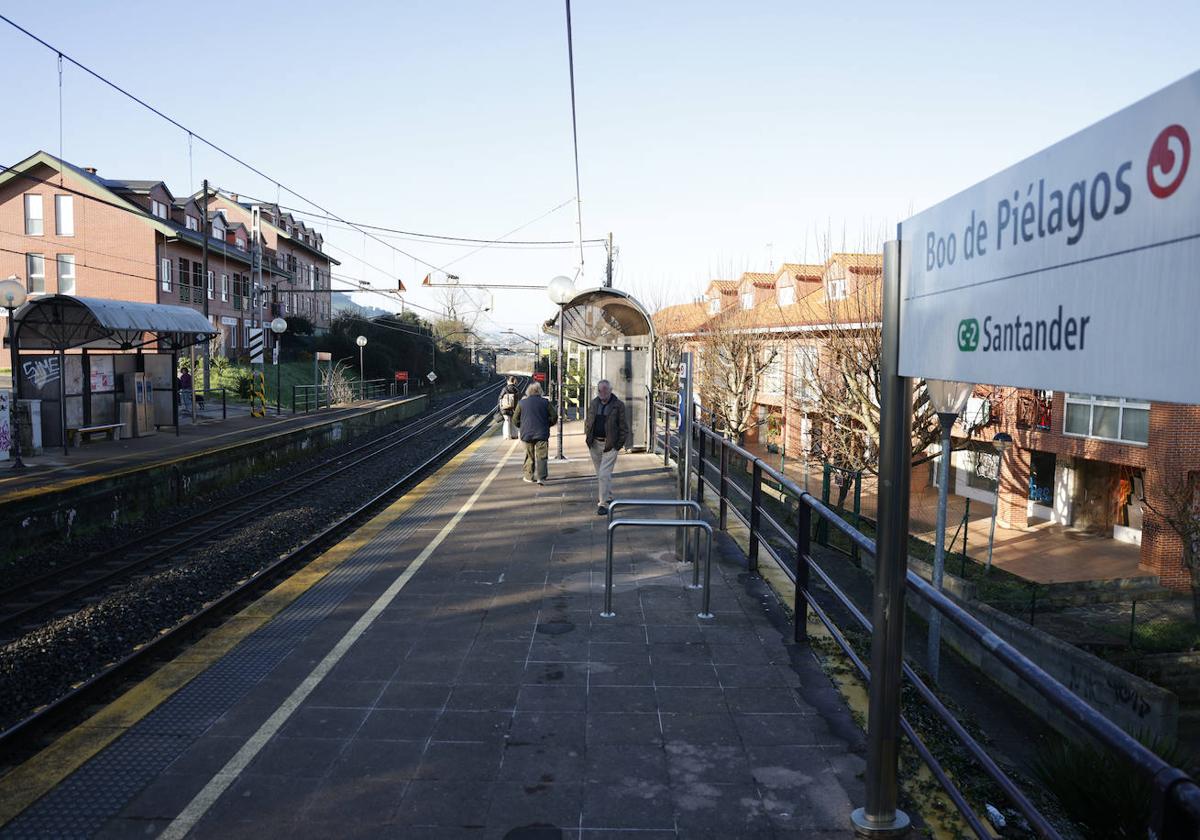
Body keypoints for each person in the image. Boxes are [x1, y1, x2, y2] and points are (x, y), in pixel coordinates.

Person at [584, 379, 627, 515]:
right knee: (601, 474)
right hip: (594, 444)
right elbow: (588, 422)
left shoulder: (618, 405)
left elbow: (624, 428)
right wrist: (588, 437)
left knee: (603, 474)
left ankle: (602, 504)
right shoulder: (594, 403)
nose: (602, 393)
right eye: (600, 390)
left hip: (610, 445)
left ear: (610, 390)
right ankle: (607, 496)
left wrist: (617, 445)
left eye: (604, 390)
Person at [513, 381, 556, 485]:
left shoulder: (522, 403)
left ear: (528, 392)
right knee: (542, 456)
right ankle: (541, 477)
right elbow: (554, 417)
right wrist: (547, 424)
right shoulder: (545, 402)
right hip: (542, 433)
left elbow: (515, 419)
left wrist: (521, 426)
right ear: (539, 391)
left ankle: (529, 476)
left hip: (526, 433)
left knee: (529, 455)